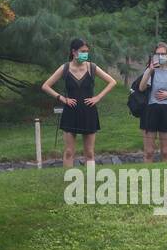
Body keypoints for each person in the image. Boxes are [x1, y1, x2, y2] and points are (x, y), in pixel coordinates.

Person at [42, 38, 117, 169]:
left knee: (89, 152)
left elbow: (112, 82)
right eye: (83, 51)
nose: (85, 54)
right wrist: (62, 98)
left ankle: (90, 181)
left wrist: (98, 97)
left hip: (89, 112)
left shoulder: (92, 67)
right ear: (74, 52)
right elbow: (46, 86)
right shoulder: (64, 68)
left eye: (87, 51)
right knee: (69, 152)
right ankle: (69, 181)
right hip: (70, 113)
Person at [139, 43, 167, 163]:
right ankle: (147, 178)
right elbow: (141, 88)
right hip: (150, 111)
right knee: (149, 152)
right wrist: (149, 70)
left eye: (163, 54)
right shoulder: (150, 71)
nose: (160, 56)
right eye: (158, 54)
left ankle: (166, 178)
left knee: (166, 151)